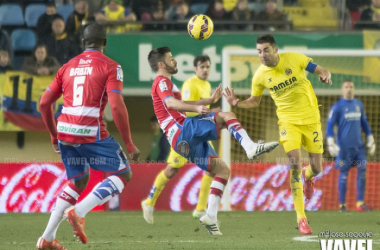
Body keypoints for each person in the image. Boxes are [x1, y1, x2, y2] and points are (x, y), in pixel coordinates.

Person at [143, 46, 279, 235]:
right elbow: (171, 104)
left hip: (182, 141)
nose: (174, 61)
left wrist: (207, 99)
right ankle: (250, 147)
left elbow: (182, 104)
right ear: (161, 64)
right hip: (182, 130)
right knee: (227, 115)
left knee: (222, 170)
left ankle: (210, 216)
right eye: (171, 58)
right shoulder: (162, 81)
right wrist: (199, 109)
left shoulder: (169, 83)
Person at [36, 22, 140, 250]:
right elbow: (117, 105)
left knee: (78, 181)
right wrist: (130, 143)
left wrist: (54, 135)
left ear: (83, 43)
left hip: (65, 131)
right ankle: (79, 212)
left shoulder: (66, 67)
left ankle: (47, 238)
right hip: (90, 132)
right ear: (104, 43)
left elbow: (44, 103)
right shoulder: (111, 66)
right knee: (123, 173)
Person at [224, 34, 332, 235]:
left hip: (311, 120)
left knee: (317, 168)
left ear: (275, 49)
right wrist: (237, 103)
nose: (262, 55)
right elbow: (254, 101)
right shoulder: (260, 76)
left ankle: (309, 177)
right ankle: (302, 218)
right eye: (258, 51)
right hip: (288, 123)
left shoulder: (294, 58)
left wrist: (325, 74)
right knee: (294, 163)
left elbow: (320, 69)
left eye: (265, 50)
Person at [142, 55, 222, 222]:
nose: (205, 70)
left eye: (208, 66)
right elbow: (183, 109)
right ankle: (149, 202)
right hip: (187, 131)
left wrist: (209, 105)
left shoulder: (206, 85)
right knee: (171, 170)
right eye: (202, 67)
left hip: (201, 131)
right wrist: (206, 110)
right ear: (195, 69)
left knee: (212, 168)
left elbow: (197, 107)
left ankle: (200, 209)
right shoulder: (189, 84)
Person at [326, 80, 375, 212]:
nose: (349, 89)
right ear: (342, 90)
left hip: (359, 147)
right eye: (346, 87)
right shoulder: (337, 107)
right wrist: (331, 143)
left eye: (351, 87)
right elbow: (330, 125)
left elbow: (364, 122)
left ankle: (360, 203)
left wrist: (370, 137)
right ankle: (342, 205)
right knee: (343, 175)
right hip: (344, 149)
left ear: (354, 89)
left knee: (363, 171)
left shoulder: (358, 105)